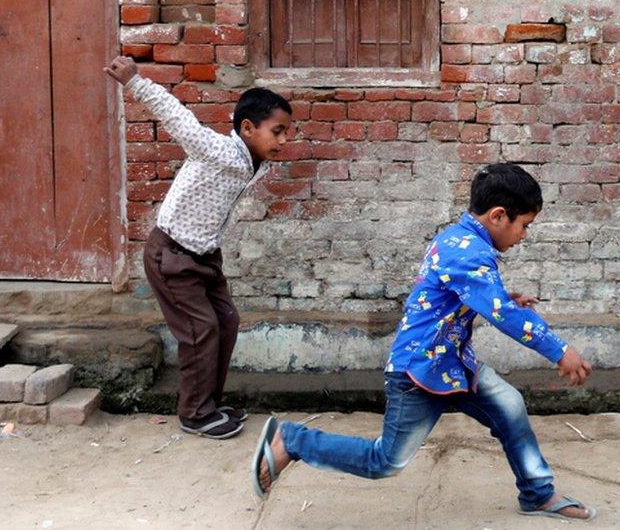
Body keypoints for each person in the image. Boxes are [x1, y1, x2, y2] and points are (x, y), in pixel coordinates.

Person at [251, 163, 596, 521]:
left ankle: (538, 493)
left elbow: (462, 295)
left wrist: (503, 297)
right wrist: (559, 350)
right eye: (524, 225)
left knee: (510, 406)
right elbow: (501, 314)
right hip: (419, 370)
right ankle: (293, 441)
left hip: (453, 363)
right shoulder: (468, 252)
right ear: (498, 215)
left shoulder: (457, 238)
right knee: (384, 461)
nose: (524, 235)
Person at [104, 56, 292, 439]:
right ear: (247, 128)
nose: (284, 141)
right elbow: (178, 119)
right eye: (278, 131)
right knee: (200, 330)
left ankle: (209, 404)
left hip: (204, 256)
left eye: (287, 132)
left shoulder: (253, 160)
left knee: (226, 322)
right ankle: (194, 414)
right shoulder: (218, 150)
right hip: (171, 254)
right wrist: (135, 82)